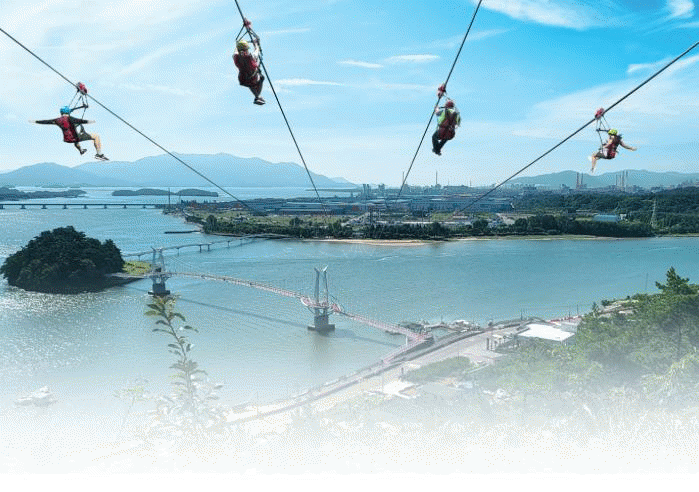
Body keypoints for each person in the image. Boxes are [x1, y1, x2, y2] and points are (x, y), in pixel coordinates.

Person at [32, 106, 107, 160]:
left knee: (74, 134)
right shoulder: (70, 118)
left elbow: (46, 121)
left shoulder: (57, 120)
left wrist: (35, 121)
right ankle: (99, 154)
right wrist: (92, 121)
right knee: (96, 136)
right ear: (68, 112)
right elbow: (81, 121)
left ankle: (81, 150)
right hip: (76, 137)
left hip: (68, 139)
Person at [233, 39, 265, 105]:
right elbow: (256, 50)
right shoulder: (251, 56)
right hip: (253, 77)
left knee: (250, 84)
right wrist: (255, 43)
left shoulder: (235, 57)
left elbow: (235, 51)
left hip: (243, 78)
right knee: (261, 78)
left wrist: (237, 45)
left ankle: (257, 97)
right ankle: (257, 96)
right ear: (246, 49)